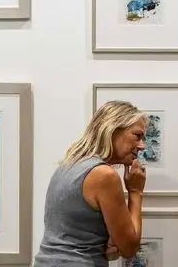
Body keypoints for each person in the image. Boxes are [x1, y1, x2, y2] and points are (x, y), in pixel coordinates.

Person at [33, 100, 148, 266]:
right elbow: (129, 248)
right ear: (112, 130)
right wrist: (136, 191)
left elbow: (75, 232)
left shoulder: (67, 165)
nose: (142, 146)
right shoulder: (104, 175)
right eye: (137, 136)